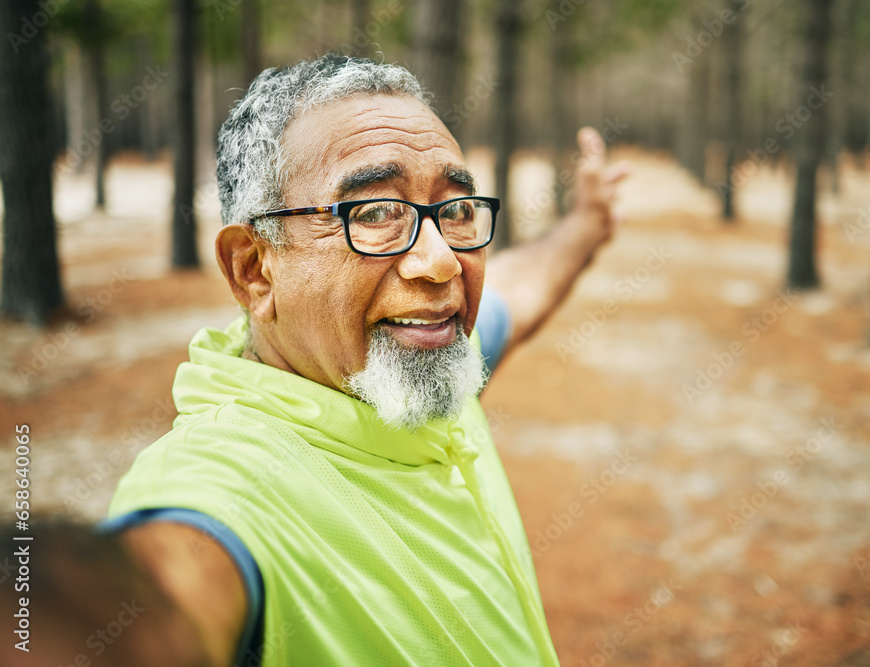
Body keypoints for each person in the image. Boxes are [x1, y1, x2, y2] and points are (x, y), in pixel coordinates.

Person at [105, 54, 628, 666]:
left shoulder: (418, 357)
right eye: (375, 213)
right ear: (254, 269)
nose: (440, 263)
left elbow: (521, 287)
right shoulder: (224, 484)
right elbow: (154, 596)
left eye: (455, 210)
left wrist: (588, 225)